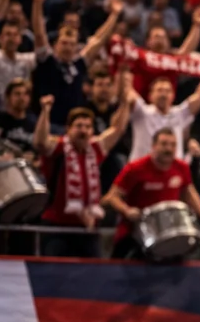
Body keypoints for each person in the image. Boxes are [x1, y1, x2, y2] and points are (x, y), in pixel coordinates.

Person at [33, 92, 131, 257]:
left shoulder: (95, 149)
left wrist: (125, 103)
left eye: (87, 127)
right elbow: (40, 142)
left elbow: (118, 129)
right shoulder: (58, 148)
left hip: (87, 227)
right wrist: (45, 111)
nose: (83, 131)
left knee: (91, 276)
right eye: (78, 126)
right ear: (68, 129)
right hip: (56, 227)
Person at [103, 127, 200, 259]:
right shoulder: (135, 168)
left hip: (169, 232)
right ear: (154, 146)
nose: (169, 149)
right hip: (135, 231)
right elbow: (111, 197)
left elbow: (189, 192)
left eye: (173, 145)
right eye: (164, 144)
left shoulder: (181, 167)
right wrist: (127, 210)